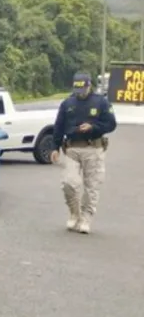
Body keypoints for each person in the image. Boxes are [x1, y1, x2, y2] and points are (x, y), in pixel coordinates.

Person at [49, 72, 117, 234]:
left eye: (83, 89)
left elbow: (111, 124)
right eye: (77, 90)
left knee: (91, 186)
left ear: (89, 86)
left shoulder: (101, 102)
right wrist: (54, 147)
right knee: (68, 183)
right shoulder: (67, 103)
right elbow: (58, 127)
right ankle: (75, 213)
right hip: (72, 147)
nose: (80, 93)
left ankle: (86, 218)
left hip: (93, 148)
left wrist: (93, 127)